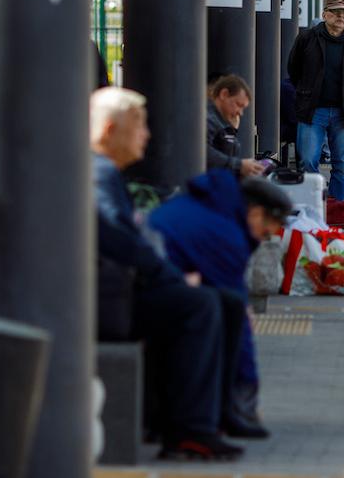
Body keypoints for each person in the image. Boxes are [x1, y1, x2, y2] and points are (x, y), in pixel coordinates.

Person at [90, 87, 247, 460]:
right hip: (102, 297)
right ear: (111, 129)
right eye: (140, 125)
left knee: (226, 303)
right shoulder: (97, 174)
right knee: (199, 305)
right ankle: (188, 430)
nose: (147, 135)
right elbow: (118, 238)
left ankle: (214, 416)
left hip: (116, 288)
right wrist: (172, 277)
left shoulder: (104, 173)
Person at [148, 172, 292, 440]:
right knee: (228, 312)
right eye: (266, 231)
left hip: (140, 289)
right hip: (146, 299)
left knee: (221, 307)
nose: (265, 239)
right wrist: (246, 391)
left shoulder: (205, 206)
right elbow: (240, 324)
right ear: (256, 213)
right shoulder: (225, 236)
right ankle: (210, 418)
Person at [287, 0, 344, 200]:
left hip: (343, 113)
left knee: (342, 167)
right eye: (335, 12)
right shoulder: (307, 39)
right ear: (324, 15)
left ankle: (335, 208)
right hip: (313, 112)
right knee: (308, 163)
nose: (340, 16)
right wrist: (307, 92)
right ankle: (314, 207)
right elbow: (294, 70)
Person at [207, 75, 266, 178]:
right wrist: (240, 165)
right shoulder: (208, 118)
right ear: (224, 94)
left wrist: (232, 130)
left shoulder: (220, 120)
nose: (240, 113)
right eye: (239, 105)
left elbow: (229, 155)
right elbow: (203, 151)